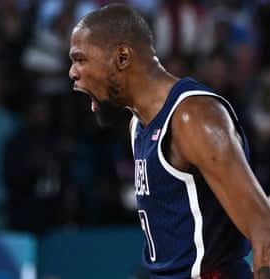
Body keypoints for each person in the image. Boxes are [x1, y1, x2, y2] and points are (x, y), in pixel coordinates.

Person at [68, 3, 270, 279]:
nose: (72, 72)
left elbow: (264, 229)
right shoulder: (138, 125)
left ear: (123, 56)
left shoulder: (194, 117)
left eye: (80, 59)